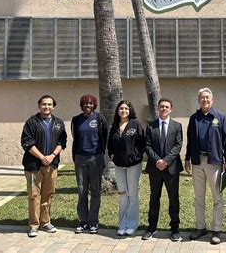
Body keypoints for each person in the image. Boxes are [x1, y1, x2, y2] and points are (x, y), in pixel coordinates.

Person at [185, 88, 226, 245]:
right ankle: (200, 227)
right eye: (202, 98)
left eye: (207, 98)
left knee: (217, 198)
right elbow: (190, 140)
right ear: (198, 100)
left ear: (212, 100)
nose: (205, 100)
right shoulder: (194, 118)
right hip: (197, 162)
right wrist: (187, 159)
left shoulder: (219, 117)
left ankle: (216, 230)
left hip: (215, 162)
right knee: (199, 197)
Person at [20, 94, 67, 238]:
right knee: (33, 195)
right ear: (39, 106)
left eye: (49, 104)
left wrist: (52, 156)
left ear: (53, 106)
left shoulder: (58, 123)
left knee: (48, 194)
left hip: (51, 165)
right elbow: (27, 143)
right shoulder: (31, 122)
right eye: (44, 104)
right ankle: (34, 225)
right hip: (33, 166)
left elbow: (62, 142)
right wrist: (42, 157)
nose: (47, 107)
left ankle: (45, 222)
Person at [142, 98, 183, 242]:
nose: (164, 109)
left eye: (167, 107)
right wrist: (157, 160)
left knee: (173, 199)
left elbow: (178, 145)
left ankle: (175, 229)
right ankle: (151, 227)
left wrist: (166, 161)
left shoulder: (177, 126)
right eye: (161, 107)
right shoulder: (151, 126)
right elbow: (147, 146)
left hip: (171, 168)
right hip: (155, 168)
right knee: (154, 198)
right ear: (158, 109)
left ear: (171, 109)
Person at [107, 100, 145, 236]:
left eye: (126, 108)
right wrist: (112, 154)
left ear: (130, 110)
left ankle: (132, 224)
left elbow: (142, 143)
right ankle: (122, 224)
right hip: (119, 165)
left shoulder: (135, 124)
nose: (124, 110)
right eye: (121, 108)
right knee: (123, 195)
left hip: (133, 165)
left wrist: (136, 156)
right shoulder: (115, 126)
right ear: (118, 110)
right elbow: (110, 143)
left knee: (133, 195)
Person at [71, 94, 109, 234]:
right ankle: (83, 221)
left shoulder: (99, 119)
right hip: (80, 158)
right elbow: (76, 138)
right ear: (81, 105)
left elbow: (104, 137)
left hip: (96, 158)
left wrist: (101, 155)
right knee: (82, 191)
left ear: (94, 105)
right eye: (85, 103)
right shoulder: (76, 120)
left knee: (95, 190)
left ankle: (93, 222)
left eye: (91, 103)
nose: (88, 105)